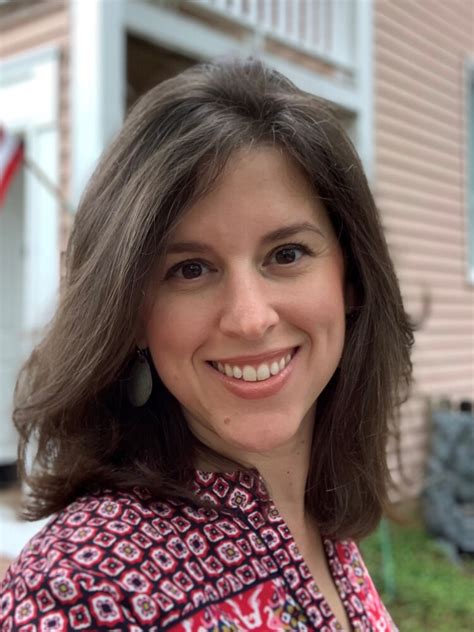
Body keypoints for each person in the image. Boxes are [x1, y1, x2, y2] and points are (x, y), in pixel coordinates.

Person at [0, 58, 413, 631]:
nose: (249, 319)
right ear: (131, 314)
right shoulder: (81, 592)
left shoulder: (319, 520)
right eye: (190, 269)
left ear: (350, 279)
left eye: (286, 254)